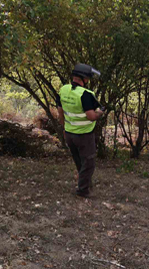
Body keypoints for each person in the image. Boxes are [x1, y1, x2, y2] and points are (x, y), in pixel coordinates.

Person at [57, 63, 104, 198]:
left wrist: (64, 128)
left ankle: (86, 184)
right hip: (84, 135)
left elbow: (60, 112)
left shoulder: (64, 90)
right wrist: (100, 113)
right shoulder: (86, 94)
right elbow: (91, 117)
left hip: (69, 134)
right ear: (85, 79)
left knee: (79, 161)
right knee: (89, 163)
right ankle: (82, 190)